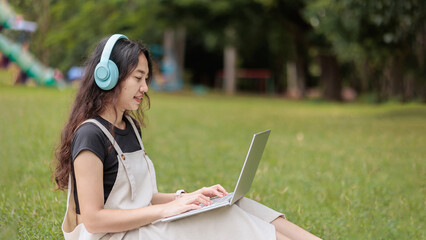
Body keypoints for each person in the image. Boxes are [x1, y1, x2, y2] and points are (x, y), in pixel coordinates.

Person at [54, 34, 321, 240]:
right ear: (108, 77)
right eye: (138, 78)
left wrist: (187, 197)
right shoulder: (90, 135)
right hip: (115, 236)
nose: (145, 88)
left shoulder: (129, 126)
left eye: (146, 78)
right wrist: (166, 211)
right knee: (223, 219)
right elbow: (94, 220)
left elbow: (139, 197)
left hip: (140, 228)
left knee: (234, 203)